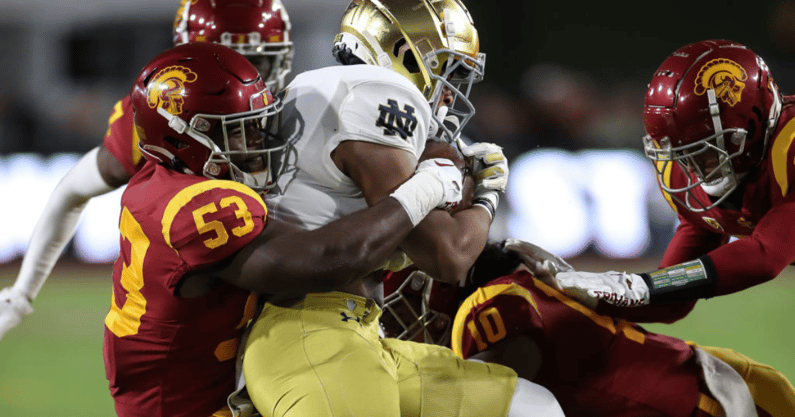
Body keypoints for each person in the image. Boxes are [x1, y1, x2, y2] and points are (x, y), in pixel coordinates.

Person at [104, 41, 465, 417]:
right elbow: (327, 260)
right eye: (238, 132)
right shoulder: (196, 207)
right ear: (181, 138)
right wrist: (427, 187)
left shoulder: (162, 178)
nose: (259, 143)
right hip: (185, 406)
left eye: (259, 124)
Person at [240, 1, 566, 416]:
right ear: (405, 54)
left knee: (529, 406)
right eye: (447, 70)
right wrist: (489, 191)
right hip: (310, 337)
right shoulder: (381, 92)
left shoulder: (321, 88)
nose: (449, 92)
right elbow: (447, 257)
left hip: (350, 334)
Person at [0, 0, 294, 340]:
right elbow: (73, 189)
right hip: (201, 323)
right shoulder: (159, 116)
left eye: (261, 59)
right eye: (231, 55)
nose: (245, 72)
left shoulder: (305, 102)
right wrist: (22, 291)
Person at [381, 240, 795, 417]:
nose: (397, 326)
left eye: (398, 310)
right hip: (711, 389)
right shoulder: (508, 289)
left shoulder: (491, 305)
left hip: (699, 407)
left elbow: (500, 393)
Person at [544, 39, 794, 323]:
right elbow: (670, 303)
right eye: (682, 153)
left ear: (752, 122)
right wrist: (566, 294)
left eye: (706, 149)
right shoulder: (683, 169)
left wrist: (645, 286)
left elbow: (766, 256)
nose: (693, 169)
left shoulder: (790, 148)